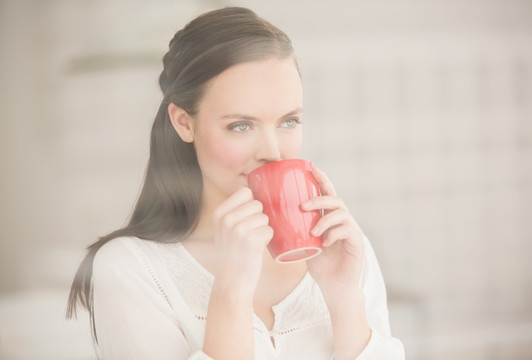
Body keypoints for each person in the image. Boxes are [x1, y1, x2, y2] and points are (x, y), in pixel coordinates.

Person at [66, 7, 405, 360]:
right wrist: (231, 291)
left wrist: (344, 296)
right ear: (184, 122)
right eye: (241, 126)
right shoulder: (130, 269)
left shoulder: (344, 252)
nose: (272, 153)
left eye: (289, 121)